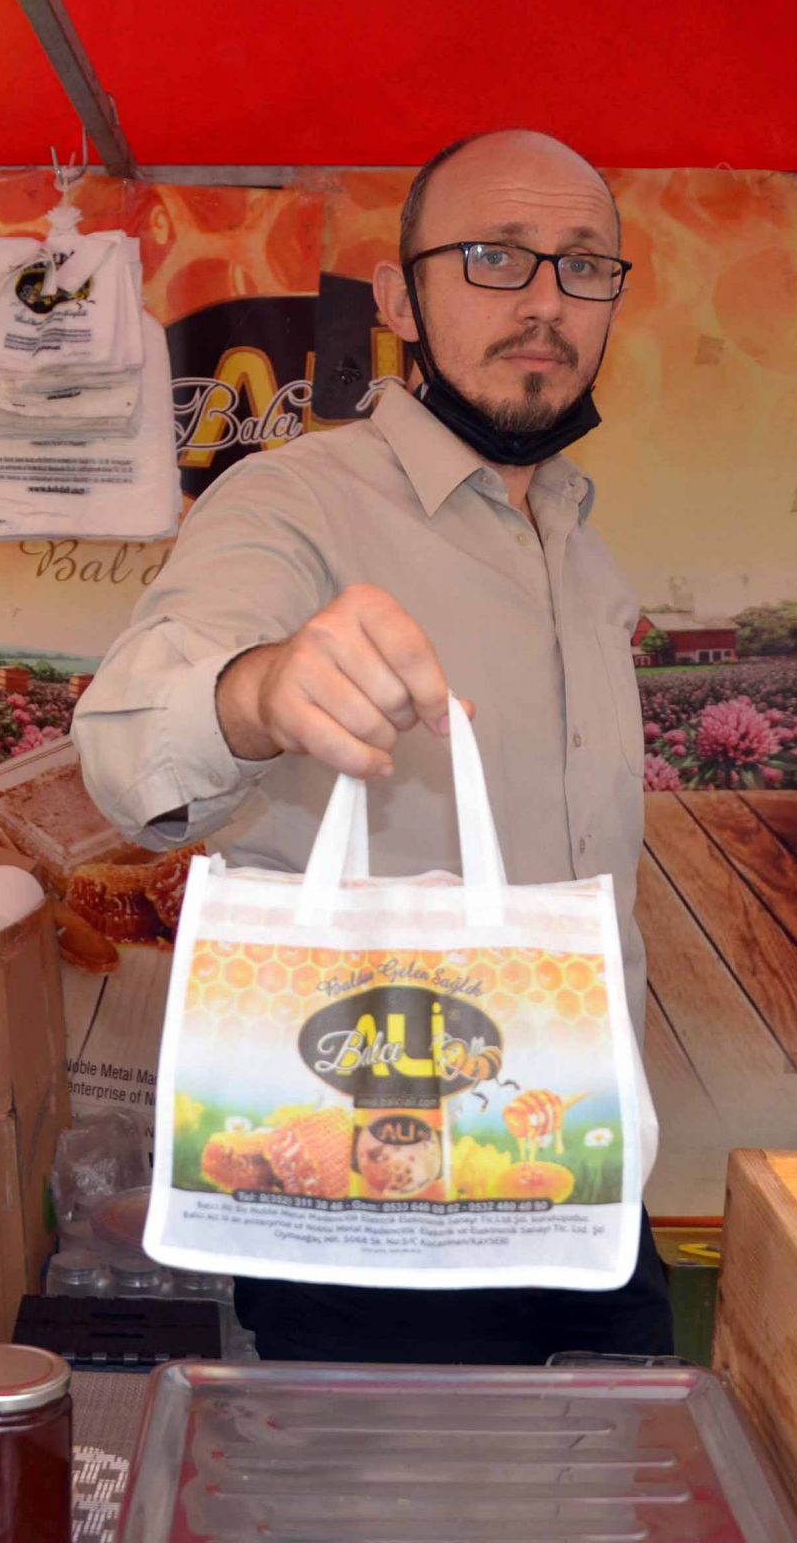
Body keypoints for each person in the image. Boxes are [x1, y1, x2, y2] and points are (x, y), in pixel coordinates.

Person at [73, 128, 669, 1363]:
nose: (544, 302)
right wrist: (257, 691)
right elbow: (128, 736)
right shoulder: (292, 501)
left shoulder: (579, 536)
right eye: (495, 259)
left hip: (579, 1181)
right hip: (363, 1216)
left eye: (582, 266)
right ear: (398, 297)